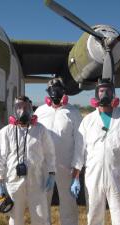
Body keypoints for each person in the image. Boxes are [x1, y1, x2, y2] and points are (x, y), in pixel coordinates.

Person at [71, 79, 120, 225]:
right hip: (93, 177)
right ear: (95, 95)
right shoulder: (88, 121)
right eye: (100, 91)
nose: (104, 94)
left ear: (113, 94)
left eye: (108, 91)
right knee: (93, 217)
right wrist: (75, 177)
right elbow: (79, 150)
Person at [0, 95, 56, 225]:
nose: (22, 111)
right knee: (15, 219)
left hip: (37, 183)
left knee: (41, 218)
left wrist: (51, 173)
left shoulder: (40, 130)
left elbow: (50, 153)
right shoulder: (6, 132)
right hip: (13, 183)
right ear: (14, 110)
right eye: (19, 107)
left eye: (25, 107)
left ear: (31, 109)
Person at [34, 78, 82, 225]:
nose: (55, 94)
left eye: (59, 90)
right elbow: (34, 138)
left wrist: (77, 170)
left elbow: (81, 143)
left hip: (65, 166)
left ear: (64, 92)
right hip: (43, 166)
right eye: (52, 90)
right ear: (48, 93)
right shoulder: (40, 112)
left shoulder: (73, 113)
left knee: (68, 204)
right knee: (42, 203)